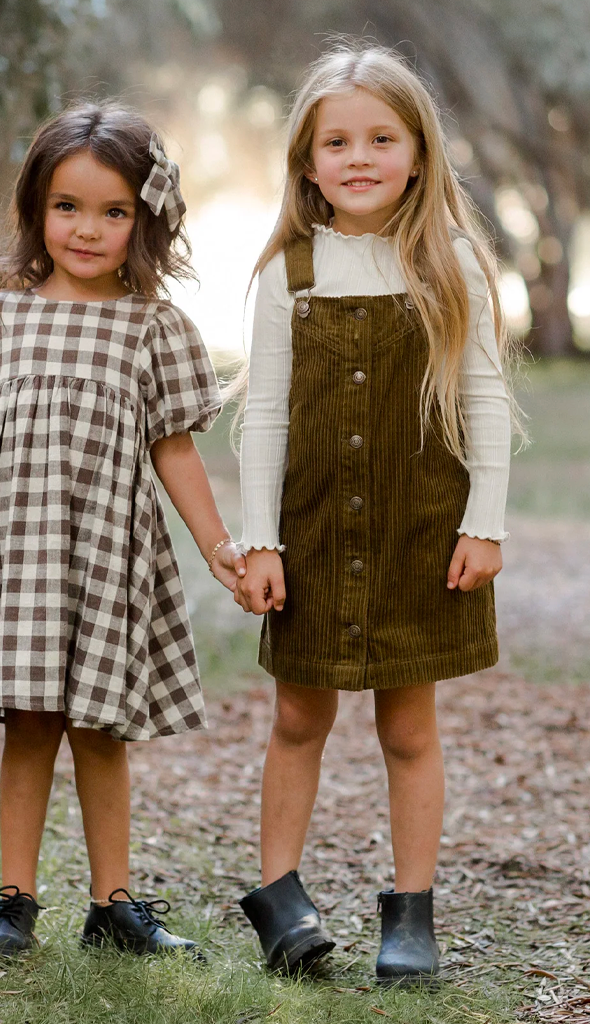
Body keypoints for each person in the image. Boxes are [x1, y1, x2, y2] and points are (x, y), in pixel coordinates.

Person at [0, 102, 245, 960]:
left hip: (105, 556)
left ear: (145, 220)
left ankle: (114, 907)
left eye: (113, 211)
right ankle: (13, 901)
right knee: (29, 725)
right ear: (36, 208)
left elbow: (173, 450)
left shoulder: (154, 326)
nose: (88, 229)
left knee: (100, 729)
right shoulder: (0, 317)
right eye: (67, 206)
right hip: (17, 555)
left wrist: (219, 548)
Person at [233, 39, 521, 983]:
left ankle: (411, 914)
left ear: (419, 154)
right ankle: (279, 900)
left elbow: (483, 397)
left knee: (407, 729)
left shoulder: (450, 264)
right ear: (307, 163)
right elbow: (264, 415)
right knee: (297, 719)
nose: (358, 158)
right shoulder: (289, 272)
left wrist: (484, 521)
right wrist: (260, 540)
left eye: (380, 139)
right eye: (337, 142)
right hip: (313, 533)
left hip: (418, 530)